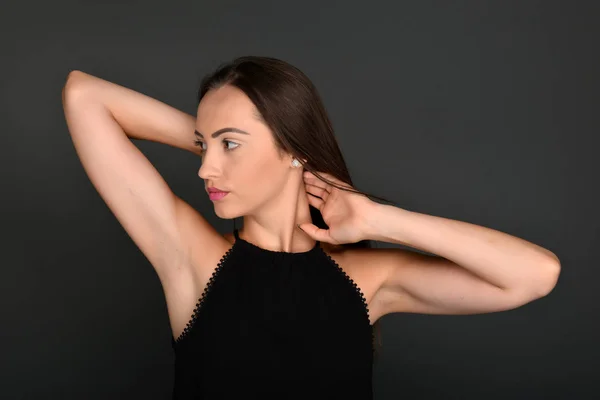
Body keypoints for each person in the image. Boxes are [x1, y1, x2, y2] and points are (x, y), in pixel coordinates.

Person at [61, 56, 561, 399]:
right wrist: (217, 140)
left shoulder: (369, 280)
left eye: (228, 145)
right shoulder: (192, 260)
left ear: (292, 147)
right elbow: (83, 95)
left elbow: (534, 274)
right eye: (202, 148)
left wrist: (380, 219)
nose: (204, 169)